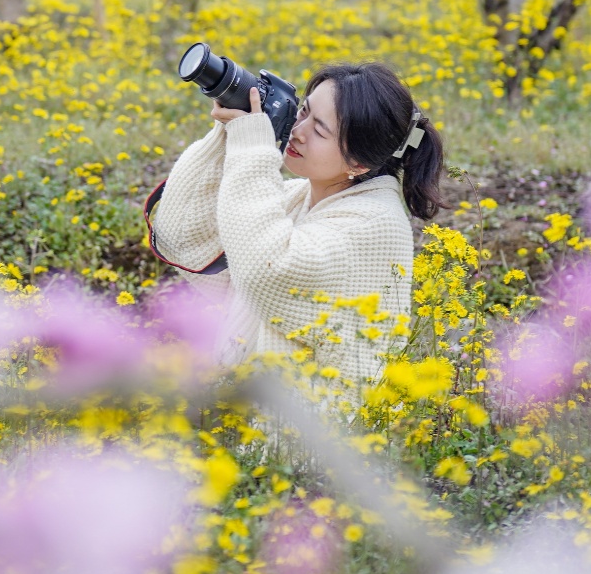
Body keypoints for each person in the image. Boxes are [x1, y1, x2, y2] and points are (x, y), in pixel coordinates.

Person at [144, 62, 445, 385]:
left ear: (358, 163)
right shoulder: (296, 197)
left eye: (319, 130)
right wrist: (232, 132)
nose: (298, 132)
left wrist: (251, 148)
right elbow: (181, 234)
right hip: (250, 417)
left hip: (315, 432)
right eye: (303, 112)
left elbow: (268, 270)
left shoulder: (374, 223)